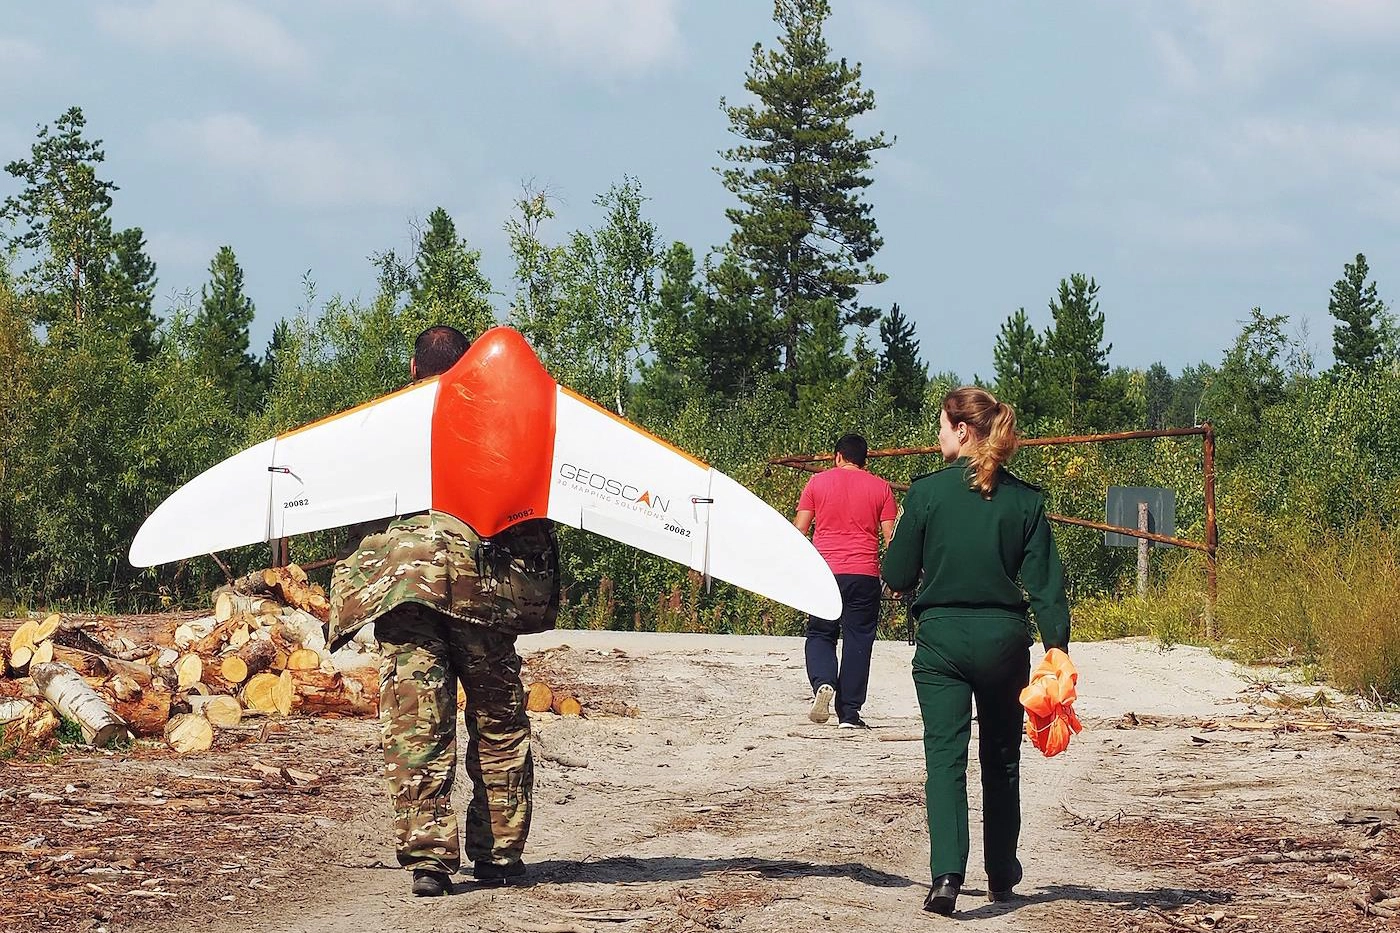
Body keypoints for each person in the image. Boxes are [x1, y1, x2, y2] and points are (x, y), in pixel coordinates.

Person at [326, 325, 561, 898]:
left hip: (405, 591)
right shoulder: (504, 423)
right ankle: (500, 855)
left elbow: (348, 503)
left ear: (413, 370)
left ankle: (429, 861)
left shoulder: (379, 427)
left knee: (417, 726)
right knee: (499, 722)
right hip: (482, 592)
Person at [880, 387, 1070, 916]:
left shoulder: (925, 494)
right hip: (1004, 640)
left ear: (963, 430)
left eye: (942, 425)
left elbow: (896, 576)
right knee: (1002, 757)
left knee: (944, 757)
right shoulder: (1026, 501)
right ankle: (1003, 871)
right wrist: (1057, 649)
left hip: (941, 639)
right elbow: (1046, 586)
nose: (938, 435)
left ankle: (946, 877)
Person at [793, 433, 897, 729]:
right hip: (864, 573)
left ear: (837, 456)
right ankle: (849, 714)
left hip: (824, 572)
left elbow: (800, 529)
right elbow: (892, 538)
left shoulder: (817, 483)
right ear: (865, 459)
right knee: (858, 641)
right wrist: (900, 578)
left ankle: (824, 682)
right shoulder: (882, 488)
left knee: (820, 634)